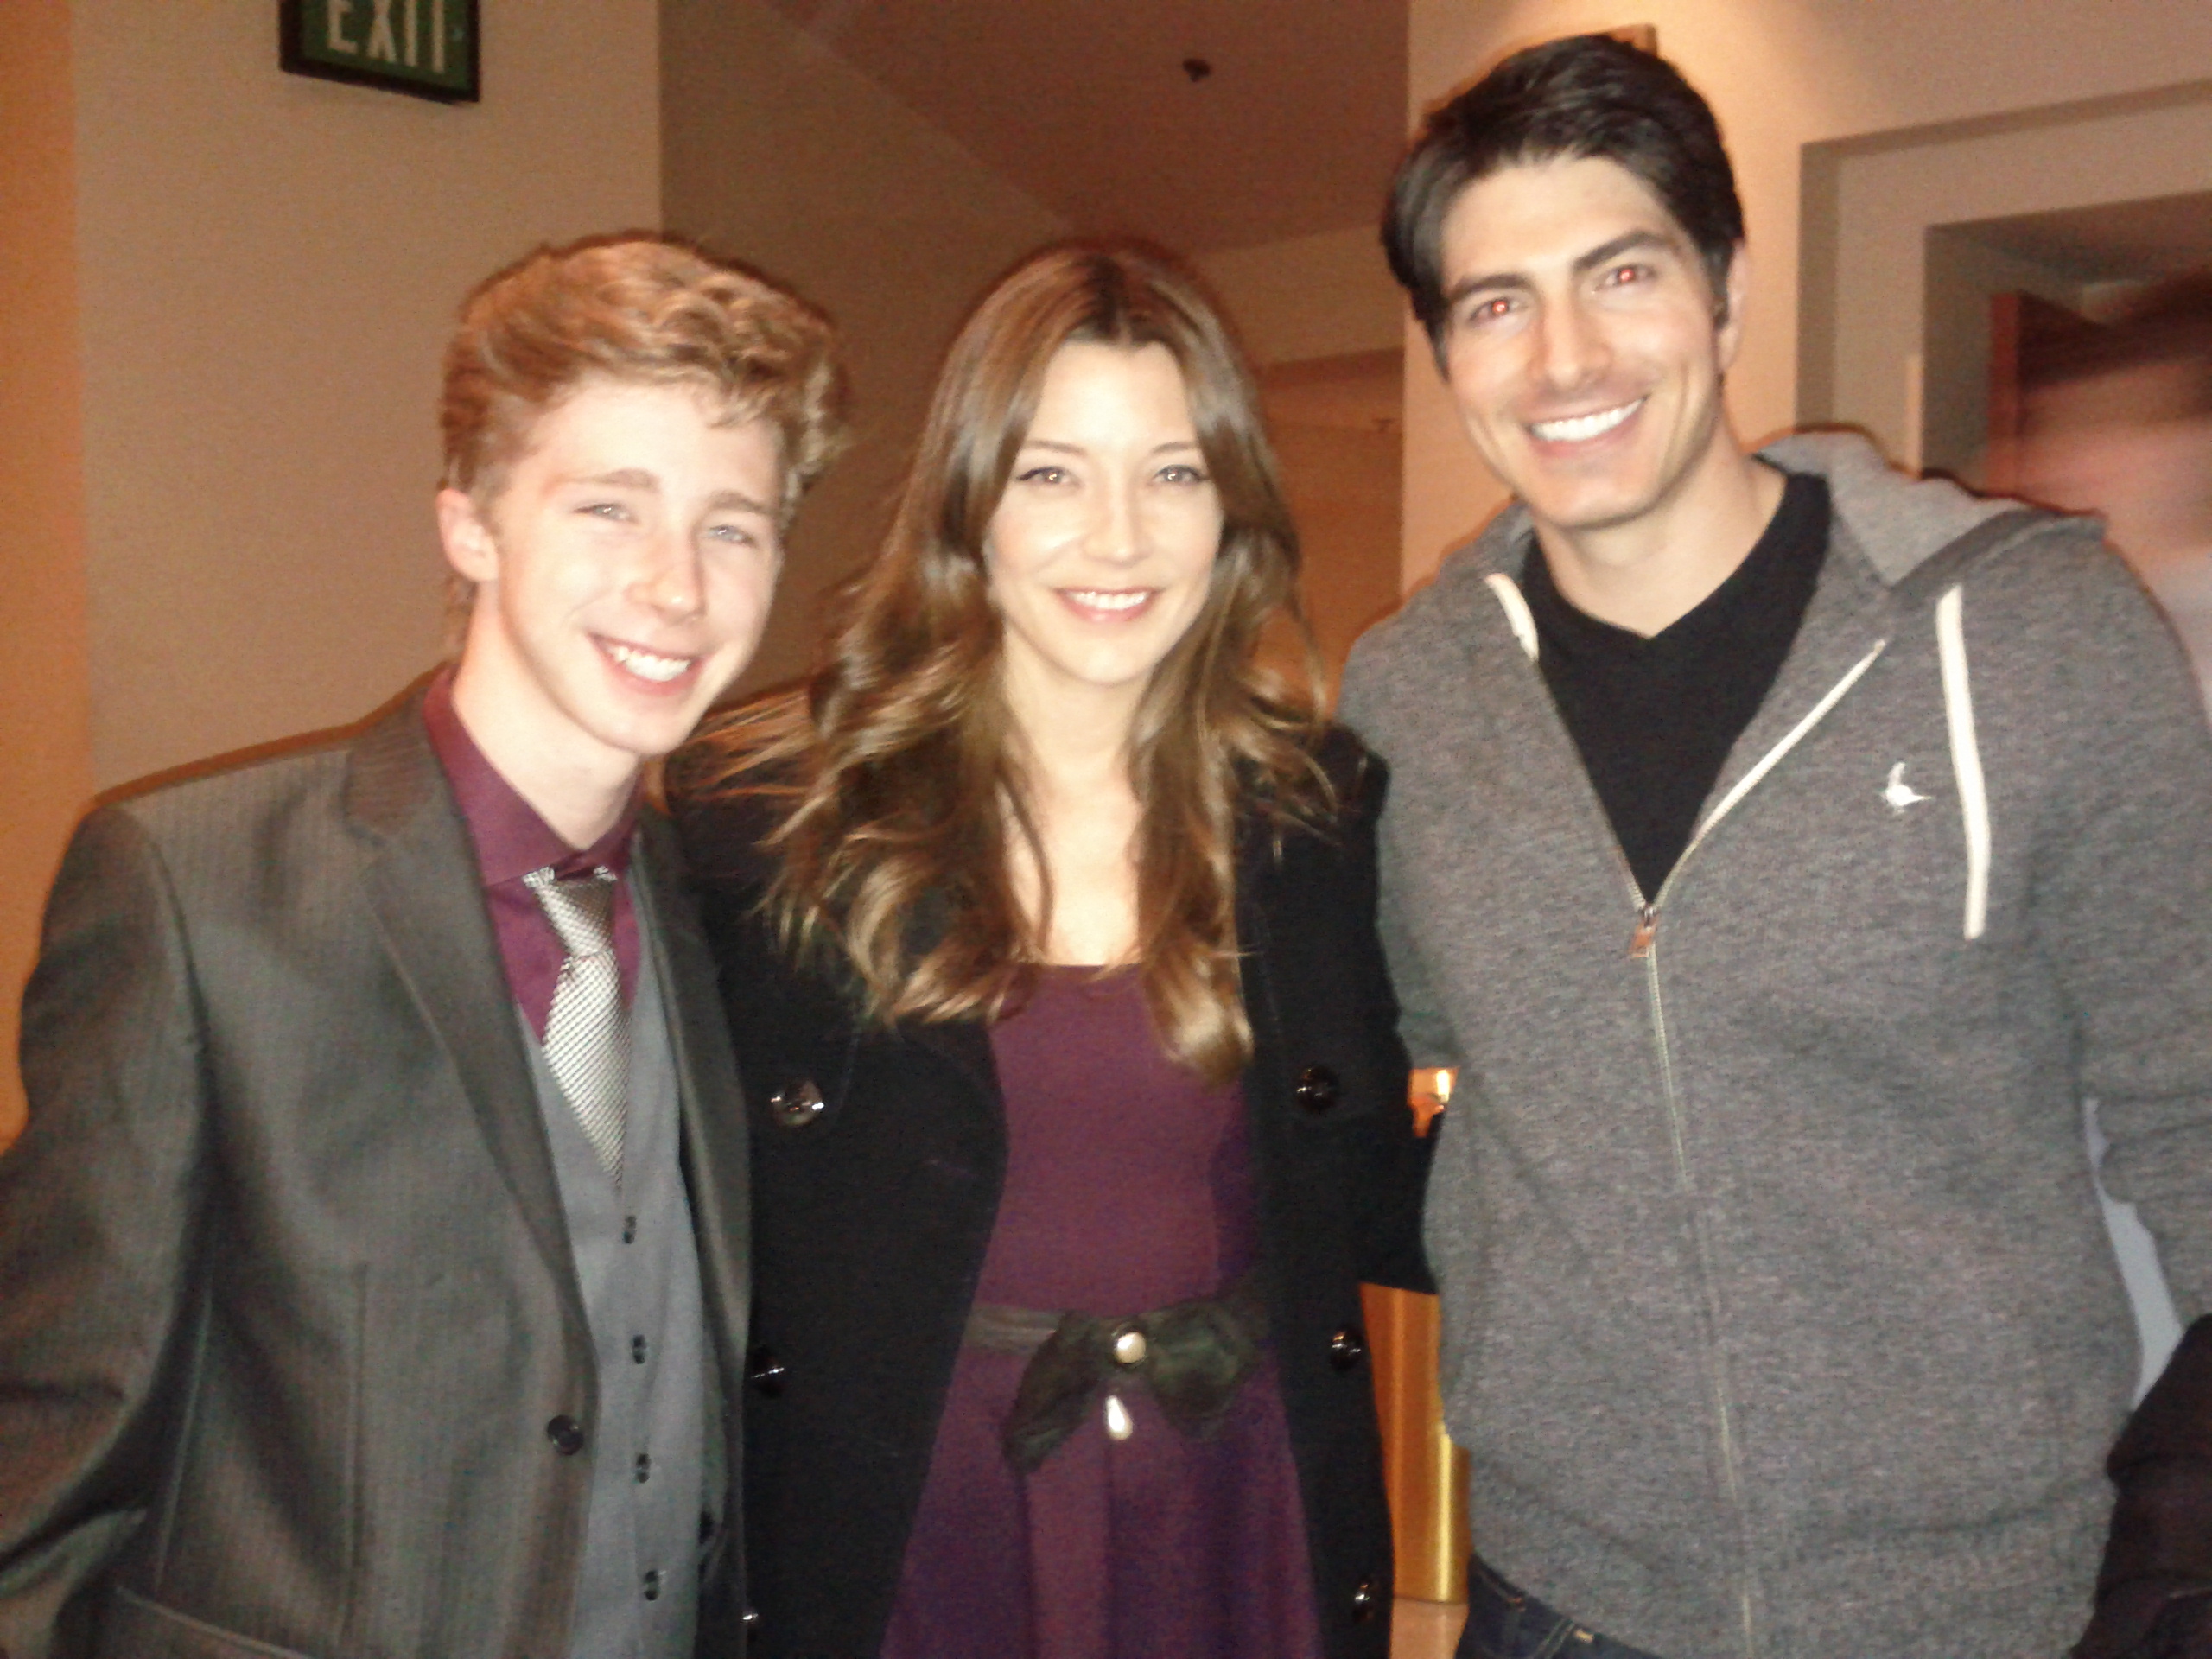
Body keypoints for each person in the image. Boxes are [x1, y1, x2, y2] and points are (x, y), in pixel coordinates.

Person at [1338, 33, 2212, 1659]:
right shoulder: (1412, 694)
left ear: (1725, 290)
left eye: (1622, 271)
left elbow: (2194, 1108)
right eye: (1497, 302)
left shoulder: (2029, 635)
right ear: (1448, 353)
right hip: (1558, 1605)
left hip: (1989, 1610)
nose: (1565, 357)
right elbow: (1338, 1058)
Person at [0, 235, 844, 1657]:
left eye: (732, 526)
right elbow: (44, 1452)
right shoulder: (196, 895)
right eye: (609, 509)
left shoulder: (727, 911)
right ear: (469, 525)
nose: (677, 587)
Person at [671, 240, 1432, 1659]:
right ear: (970, 505)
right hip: (916, 1519)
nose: (1121, 537)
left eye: (1175, 473)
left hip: (1237, 1502)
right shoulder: (773, 814)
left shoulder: (1313, 814)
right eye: (1053, 473)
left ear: (1233, 512)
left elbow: (1378, 1185)